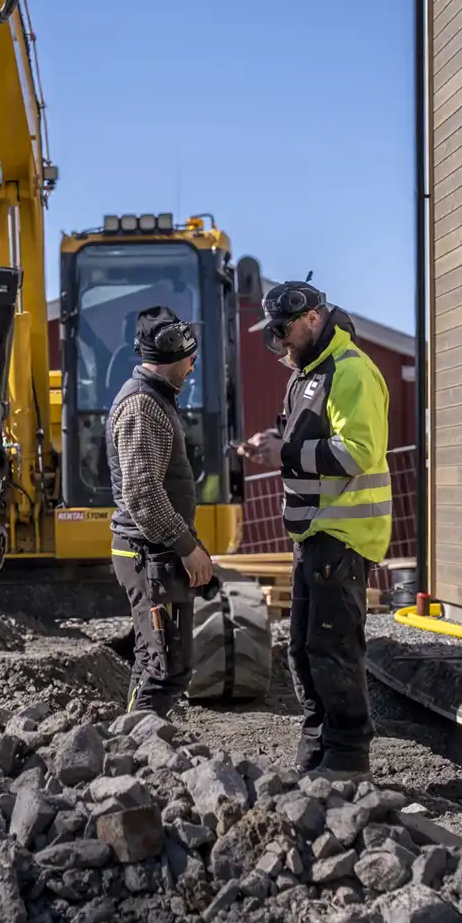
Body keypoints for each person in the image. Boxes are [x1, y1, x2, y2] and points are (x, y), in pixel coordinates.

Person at [240, 281, 391, 780]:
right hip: (313, 533)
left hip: (342, 536)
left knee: (333, 646)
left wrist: (280, 452)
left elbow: (356, 453)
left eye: (282, 331)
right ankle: (318, 747)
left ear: (311, 318)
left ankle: (348, 758)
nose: (278, 343)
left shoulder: (350, 372)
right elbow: (304, 439)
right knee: (303, 649)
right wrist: (273, 441)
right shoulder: (307, 375)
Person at [106, 305, 214, 716]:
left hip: (156, 553)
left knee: (165, 663)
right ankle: (134, 757)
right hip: (150, 553)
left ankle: (139, 755)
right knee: (161, 666)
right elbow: (144, 495)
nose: (193, 366)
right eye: (191, 357)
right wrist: (187, 546)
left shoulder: (154, 401)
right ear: (174, 352)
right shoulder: (142, 407)